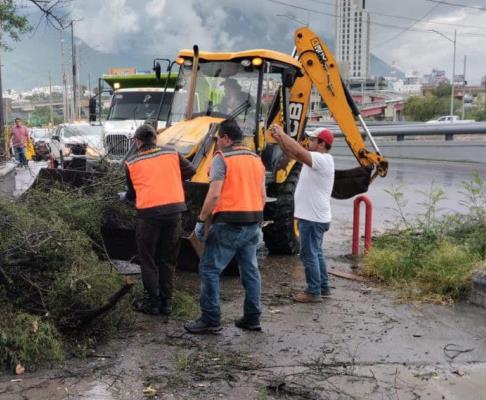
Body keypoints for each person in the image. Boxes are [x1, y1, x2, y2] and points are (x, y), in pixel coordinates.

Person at [185, 119, 266, 334]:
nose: (217, 143)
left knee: (209, 269)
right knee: (250, 271)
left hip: (229, 224)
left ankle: (210, 319)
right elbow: (263, 195)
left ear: (226, 138)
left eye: (218, 138)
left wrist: (201, 221)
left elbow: (214, 195)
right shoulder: (256, 159)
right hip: (252, 224)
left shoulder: (222, 159)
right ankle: (252, 318)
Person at [124, 125, 196, 316]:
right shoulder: (171, 153)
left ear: (137, 141)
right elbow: (191, 170)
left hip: (148, 216)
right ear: (155, 138)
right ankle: (167, 303)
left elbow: (132, 194)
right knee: (168, 259)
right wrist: (170, 178)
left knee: (148, 260)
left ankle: (153, 304)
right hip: (174, 214)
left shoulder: (131, 162)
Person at [270, 124, 335, 303]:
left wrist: (283, 133)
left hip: (313, 219)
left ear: (322, 144)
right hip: (316, 217)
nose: (310, 142)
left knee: (309, 255)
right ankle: (323, 287)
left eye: (313, 140)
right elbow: (291, 153)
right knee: (317, 253)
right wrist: (280, 139)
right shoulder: (316, 159)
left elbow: (297, 150)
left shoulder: (321, 160)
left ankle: (313, 291)